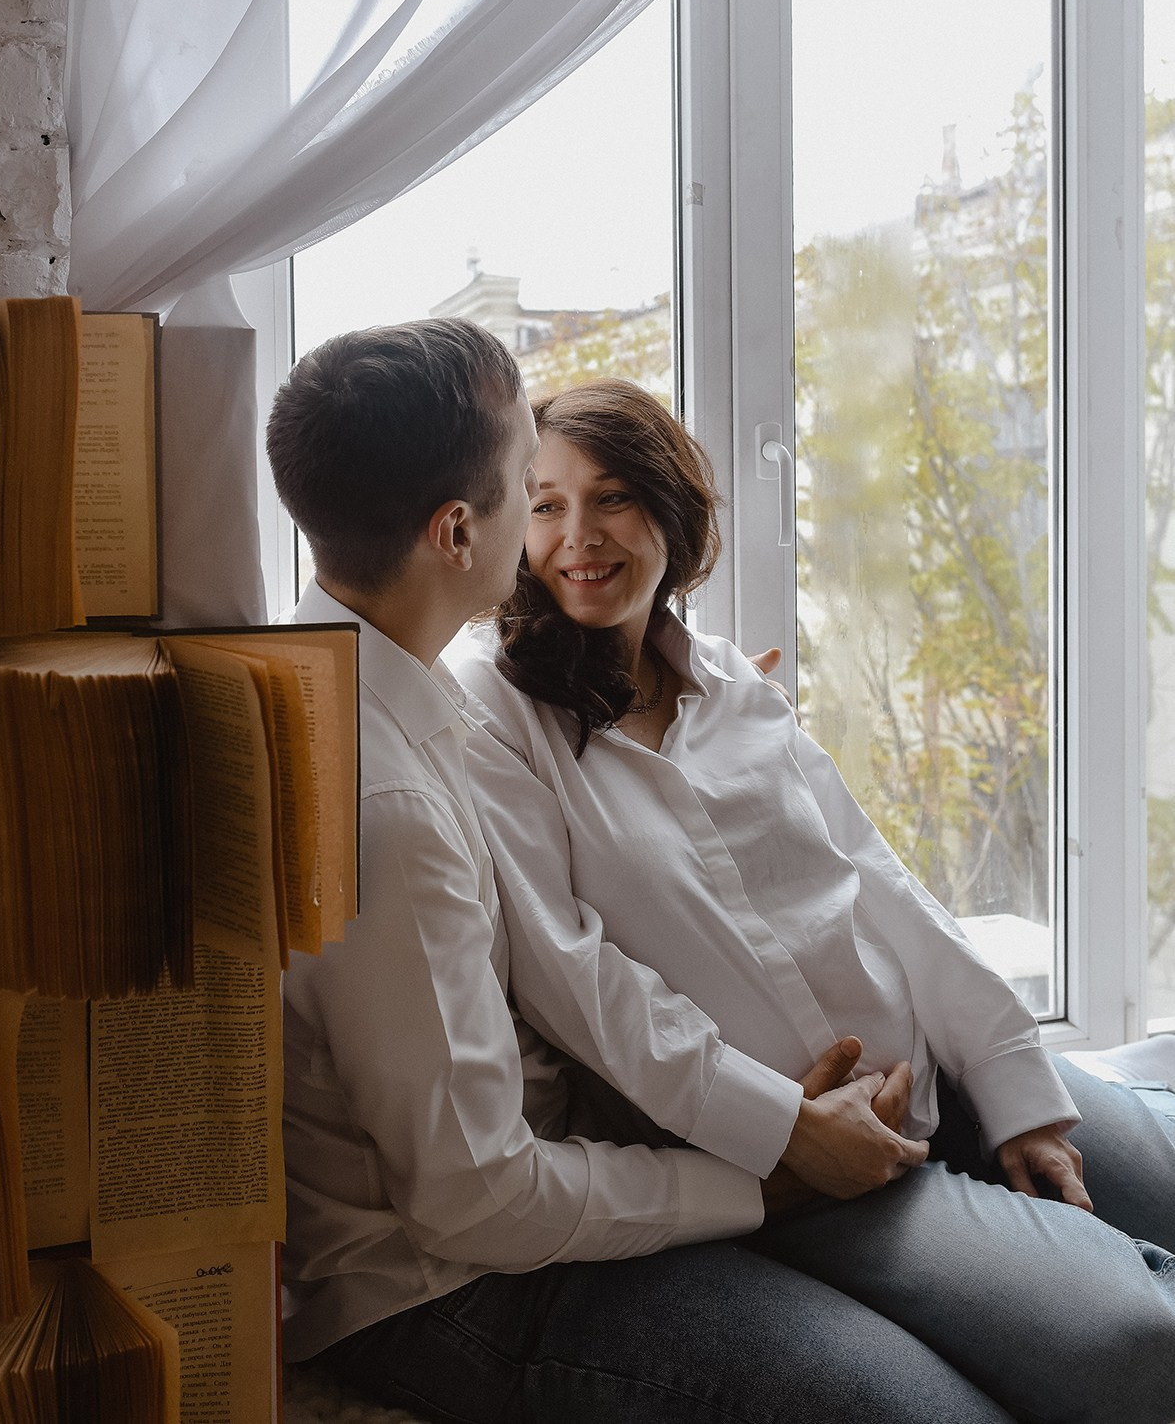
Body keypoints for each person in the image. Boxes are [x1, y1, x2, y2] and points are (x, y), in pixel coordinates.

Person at [265, 320, 1016, 1424]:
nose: (554, 516)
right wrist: (762, 1180)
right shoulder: (389, 801)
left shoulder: (356, 681)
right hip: (449, 1288)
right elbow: (477, 1198)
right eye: (531, 482)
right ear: (458, 530)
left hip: (529, 1200)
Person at [457, 375, 1175, 1424]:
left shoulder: (724, 678)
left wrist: (1013, 1080)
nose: (579, 535)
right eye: (546, 502)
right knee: (1136, 1345)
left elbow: (878, 879)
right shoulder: (495, 710)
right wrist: (788, 1127)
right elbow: (578, 978)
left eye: (610, 496)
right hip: (801, 1163)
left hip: (941, 1071)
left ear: (669, 506)